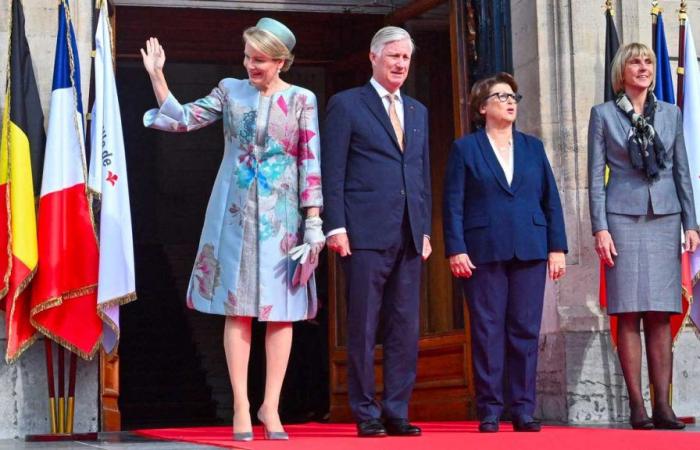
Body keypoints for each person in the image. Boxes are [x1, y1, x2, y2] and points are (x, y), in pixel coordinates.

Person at [140, 18, 324, 441]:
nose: (250, 66)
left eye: (259, 59)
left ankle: (270, 406)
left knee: (283, 313)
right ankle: (241, 403)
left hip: (282, 218)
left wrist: (313, 222)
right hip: (235, 212)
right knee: (238, 308)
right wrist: (157, 76)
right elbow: (183, 119)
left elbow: (309, 161)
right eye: (247, 57)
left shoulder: (302, 100)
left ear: (281, 61)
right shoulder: (230, 89)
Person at [321, 26, 431, 438]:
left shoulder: (419, 111)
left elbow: (419, 175)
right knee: (364, 326)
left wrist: (424, 229)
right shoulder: (347, 105)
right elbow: (332, 171)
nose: (401, 64)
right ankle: (365, 411)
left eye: (406, 58)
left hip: (408, 235)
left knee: (405, 327)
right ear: (373, 57)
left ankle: (396, 410)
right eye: (393, 57)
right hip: (363, 234)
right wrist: (336, 225)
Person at [443, 72, 567, 433]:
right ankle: (490, 409)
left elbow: (551, 200)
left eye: (513, 96)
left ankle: (523, 408)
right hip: (482, 251)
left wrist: (556, 247)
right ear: (482, 107)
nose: (510, 102)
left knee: (525, 330)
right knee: (487, 330)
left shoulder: (532, 147)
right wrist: (456, 249)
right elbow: (453, 204)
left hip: (530, 247)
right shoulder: (465, 148)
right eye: (500, 96)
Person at [588, 42, 699, 430]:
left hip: (666, 218)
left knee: (660, 313)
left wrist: (692, 224)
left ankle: (664, 408)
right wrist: (600, 226)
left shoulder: (671, 114)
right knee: (628, 311)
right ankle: (637, 407)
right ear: (621, 71)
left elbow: (682, 172)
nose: (644, 67)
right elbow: (594, 179)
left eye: (649, 61)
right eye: (636, 61)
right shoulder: (602, 115)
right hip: (621, 218)